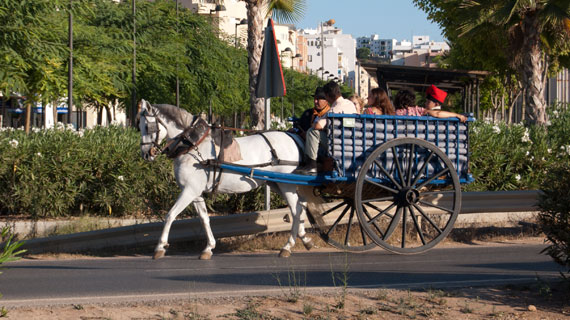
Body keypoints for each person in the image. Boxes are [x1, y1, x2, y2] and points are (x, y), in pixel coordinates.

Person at [297, 81, 357, 174]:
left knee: (312, 132)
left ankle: (311, 165)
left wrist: (314, 125)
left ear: (328, 96)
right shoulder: (350, 104)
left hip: (338, 144)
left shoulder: (334, 109)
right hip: (351, 141)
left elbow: (317, 126)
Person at [394, 87, 467, 122]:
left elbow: (437, 113)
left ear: (436, 104)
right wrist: (457, 115)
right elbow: (437, 113)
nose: (425, 103)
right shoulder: (420, 111)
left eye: (428, 102)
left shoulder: (396, 112)